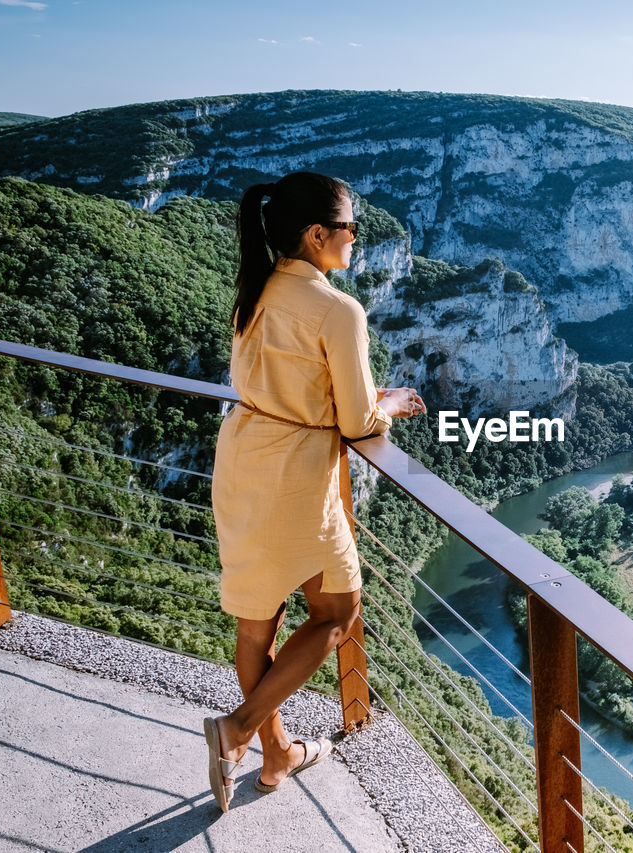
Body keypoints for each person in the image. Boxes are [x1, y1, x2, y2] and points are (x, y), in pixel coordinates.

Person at [204, 171, 425, 812]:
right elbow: (355, 422)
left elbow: (295, 388)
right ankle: (239, 729)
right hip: (297, 478)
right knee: (335, 613)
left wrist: (358, 402)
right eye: (351, 226)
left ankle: (276, 756)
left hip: (243, 458)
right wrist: (387, 408)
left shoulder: (257, 287)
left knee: (257, 625)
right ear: (317, 234)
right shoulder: (337, 309)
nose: (359, 237)